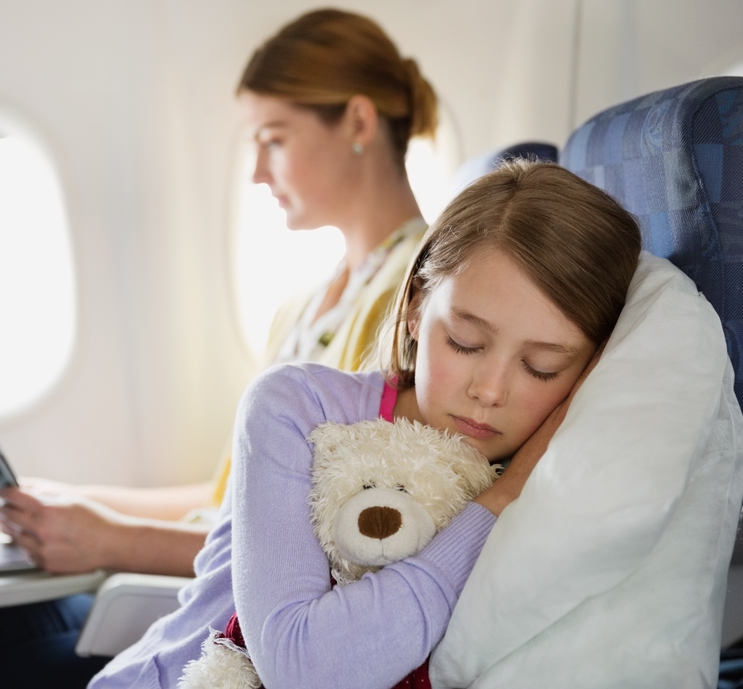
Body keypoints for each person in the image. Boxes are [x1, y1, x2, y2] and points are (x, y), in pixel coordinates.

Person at [0, 7, 442, 689]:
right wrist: (75, 506)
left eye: (274, 139)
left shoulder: (415, 306)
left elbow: (326, 545)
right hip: (176, 573)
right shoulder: (303, 305)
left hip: (214, 616)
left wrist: (108, 539)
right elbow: (232, 498)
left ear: (357, 122)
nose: (258, 174)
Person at [87, 160, 643, 688]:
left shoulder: (572, 483)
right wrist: (500, 500)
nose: (489, 391)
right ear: (418, 309)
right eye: (465, 342)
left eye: (540, 367)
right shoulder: (296, 410)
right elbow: (303, 671)